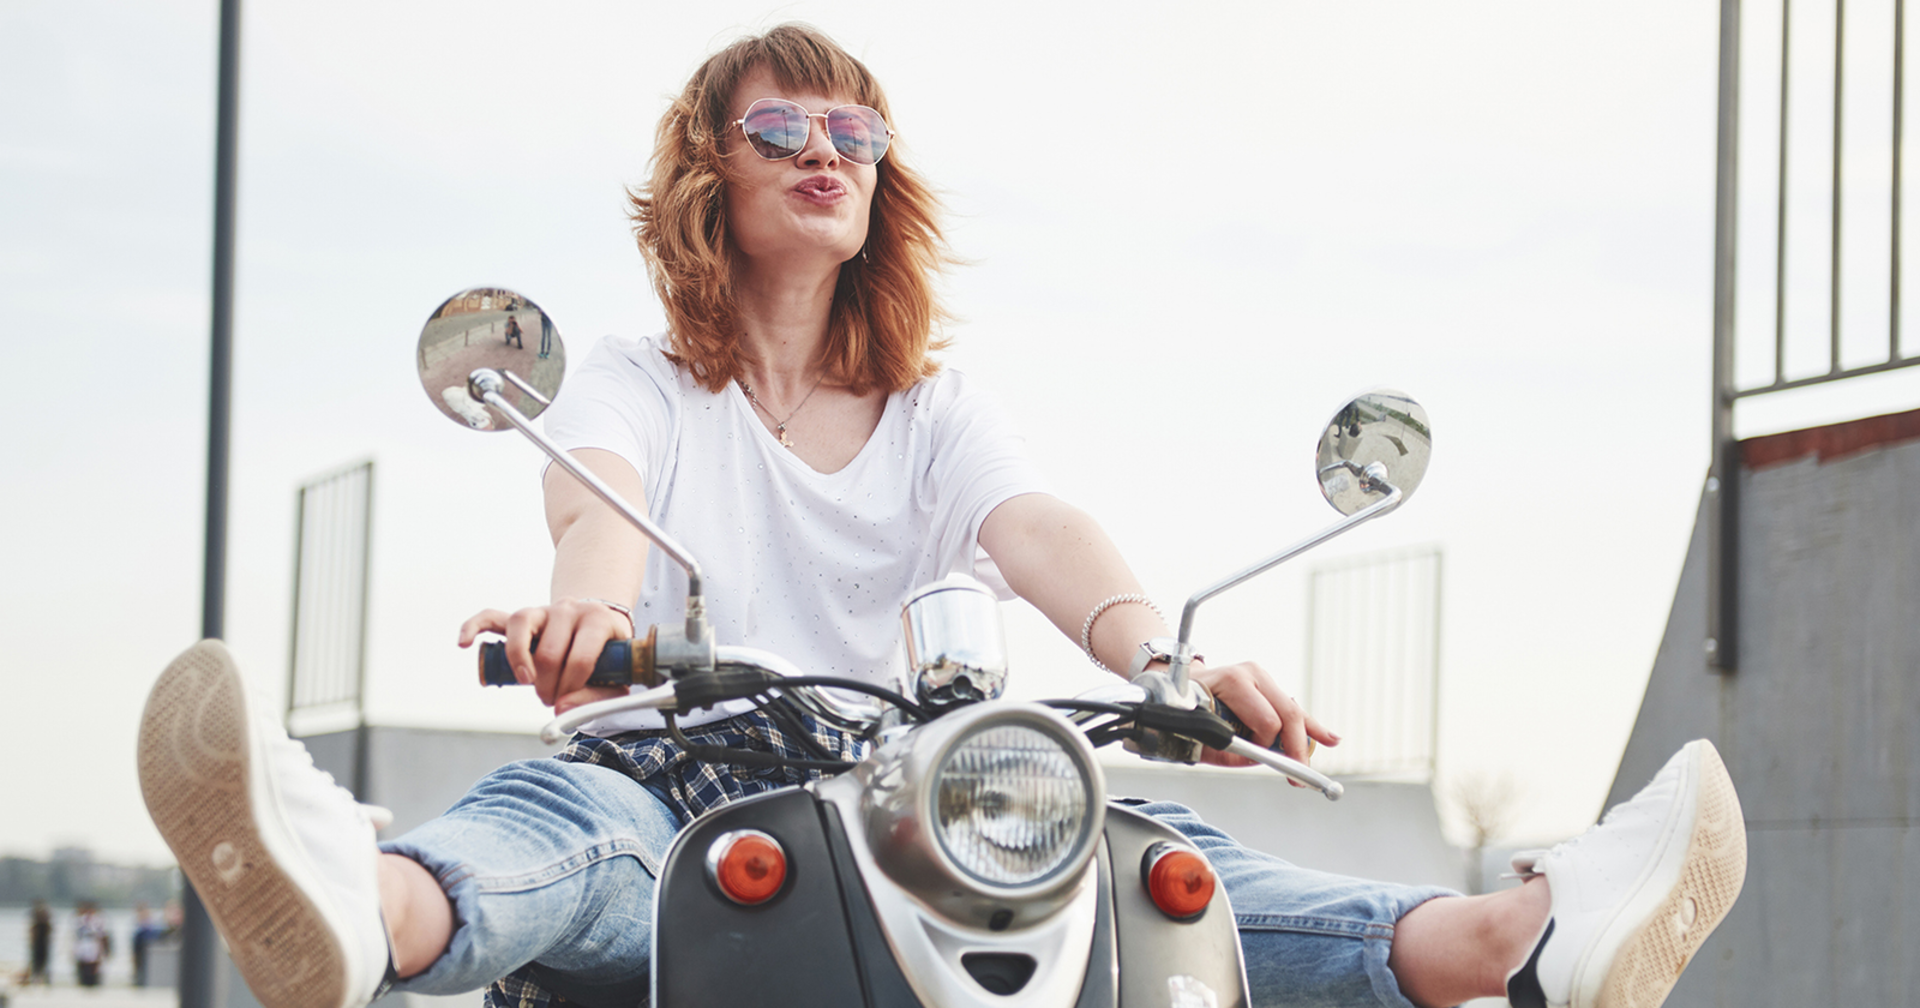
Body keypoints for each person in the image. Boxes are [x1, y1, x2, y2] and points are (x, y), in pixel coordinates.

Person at [136, 23, 1746, 1008]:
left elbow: (1037, 530)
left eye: (857, 134)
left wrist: (1164, 659)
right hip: (681, 768)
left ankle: (1527, 941)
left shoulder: (932, 404)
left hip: (911, 795)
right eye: (786, 129)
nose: (828, 152)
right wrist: (592, 610)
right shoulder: (639, 377)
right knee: (571, 840)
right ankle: (353, 904)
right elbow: (602, 509)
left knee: (1156, 870)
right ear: (711, 166)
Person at [73, 902, 110, 988]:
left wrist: (104, 949)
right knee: (83, 965)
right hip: (83, 944)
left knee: (93, 965)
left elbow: (102, 935)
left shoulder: (98, 921)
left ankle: (93, 982)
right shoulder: (79, 921)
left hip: (93, 944)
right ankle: (83, 982)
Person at [27, 900, 52, 986]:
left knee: (44, 961)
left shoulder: (45, 924)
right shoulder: (36, 924)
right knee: (36, 961)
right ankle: (35, 978)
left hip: (43, 943)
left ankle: (44, 979)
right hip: (37, 944)